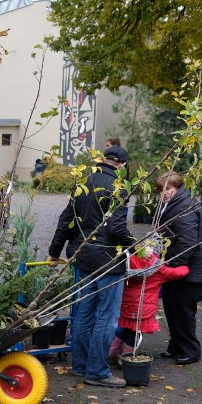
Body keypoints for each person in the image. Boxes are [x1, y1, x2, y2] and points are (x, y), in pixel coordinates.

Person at [48, 145, 135, 387]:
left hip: (83, 256)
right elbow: (117, 229)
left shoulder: (83, 183)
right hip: (107, 260)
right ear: (123, 165)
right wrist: (137, 247)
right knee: (107, 318)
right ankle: (97, 372)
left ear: (103, 160)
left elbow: (66, 220)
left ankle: (81, 365)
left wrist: (54, 252)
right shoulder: (119, 188)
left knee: (84, 313)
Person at [154, 171, 202, 365]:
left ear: (177, 188)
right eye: (161, 190)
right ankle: (176, 345)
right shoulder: (175, 204)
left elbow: (186, 242)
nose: (164, 193)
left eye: (168, 189)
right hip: (181, 268)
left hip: (188, 269)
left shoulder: (185, 208)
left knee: (183, 311)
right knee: (172, 308)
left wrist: (171, 265)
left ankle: (191, 350)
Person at [107, 242, 189, 366]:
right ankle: (125, 358)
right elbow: (175, 273)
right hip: (142, 308)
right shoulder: (157, 268)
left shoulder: (129, 262)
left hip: (127, 306)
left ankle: (112, 352)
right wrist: (186, 267)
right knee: (135, 334)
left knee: (125, 329)